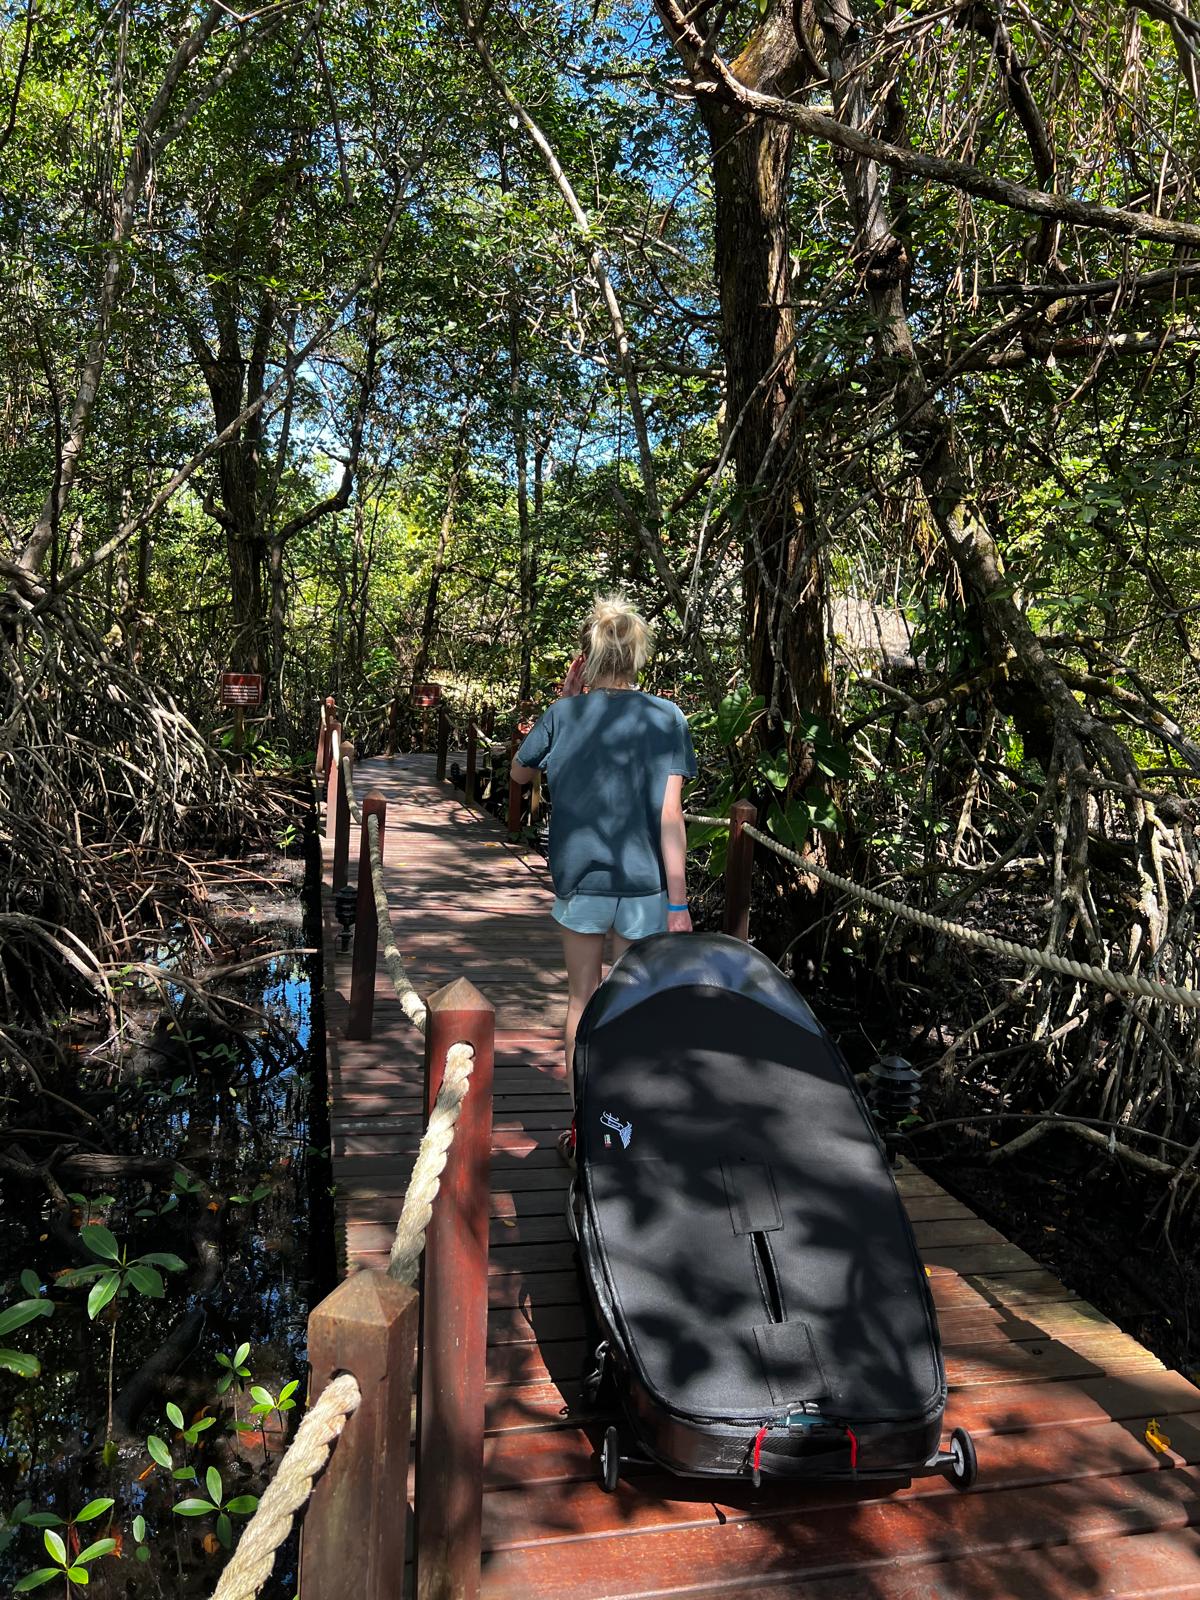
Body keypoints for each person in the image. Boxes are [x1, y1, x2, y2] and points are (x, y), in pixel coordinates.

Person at [510, 594, 697, 1157]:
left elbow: (519, 773)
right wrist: (679, 902)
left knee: (582, 1000)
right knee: (640, 1005)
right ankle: (636, 1120)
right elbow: (671, 816)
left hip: (580, 883)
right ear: (637, 655)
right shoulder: (668, 718)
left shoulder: (563, 715)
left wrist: (566, 703)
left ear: (587, 656)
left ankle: (583, 1122)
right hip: (646, 888)